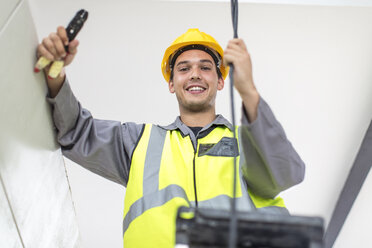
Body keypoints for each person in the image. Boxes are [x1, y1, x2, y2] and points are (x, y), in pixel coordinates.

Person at [36, 27, 305, 248]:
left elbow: (286, 174)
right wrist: (55, 71)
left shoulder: (247, 140)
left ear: (221, 81)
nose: (195, 74)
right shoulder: (140, 142)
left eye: (206, 67)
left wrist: (248, 91)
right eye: (184, 68)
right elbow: (76, 132)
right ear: (171, 82)